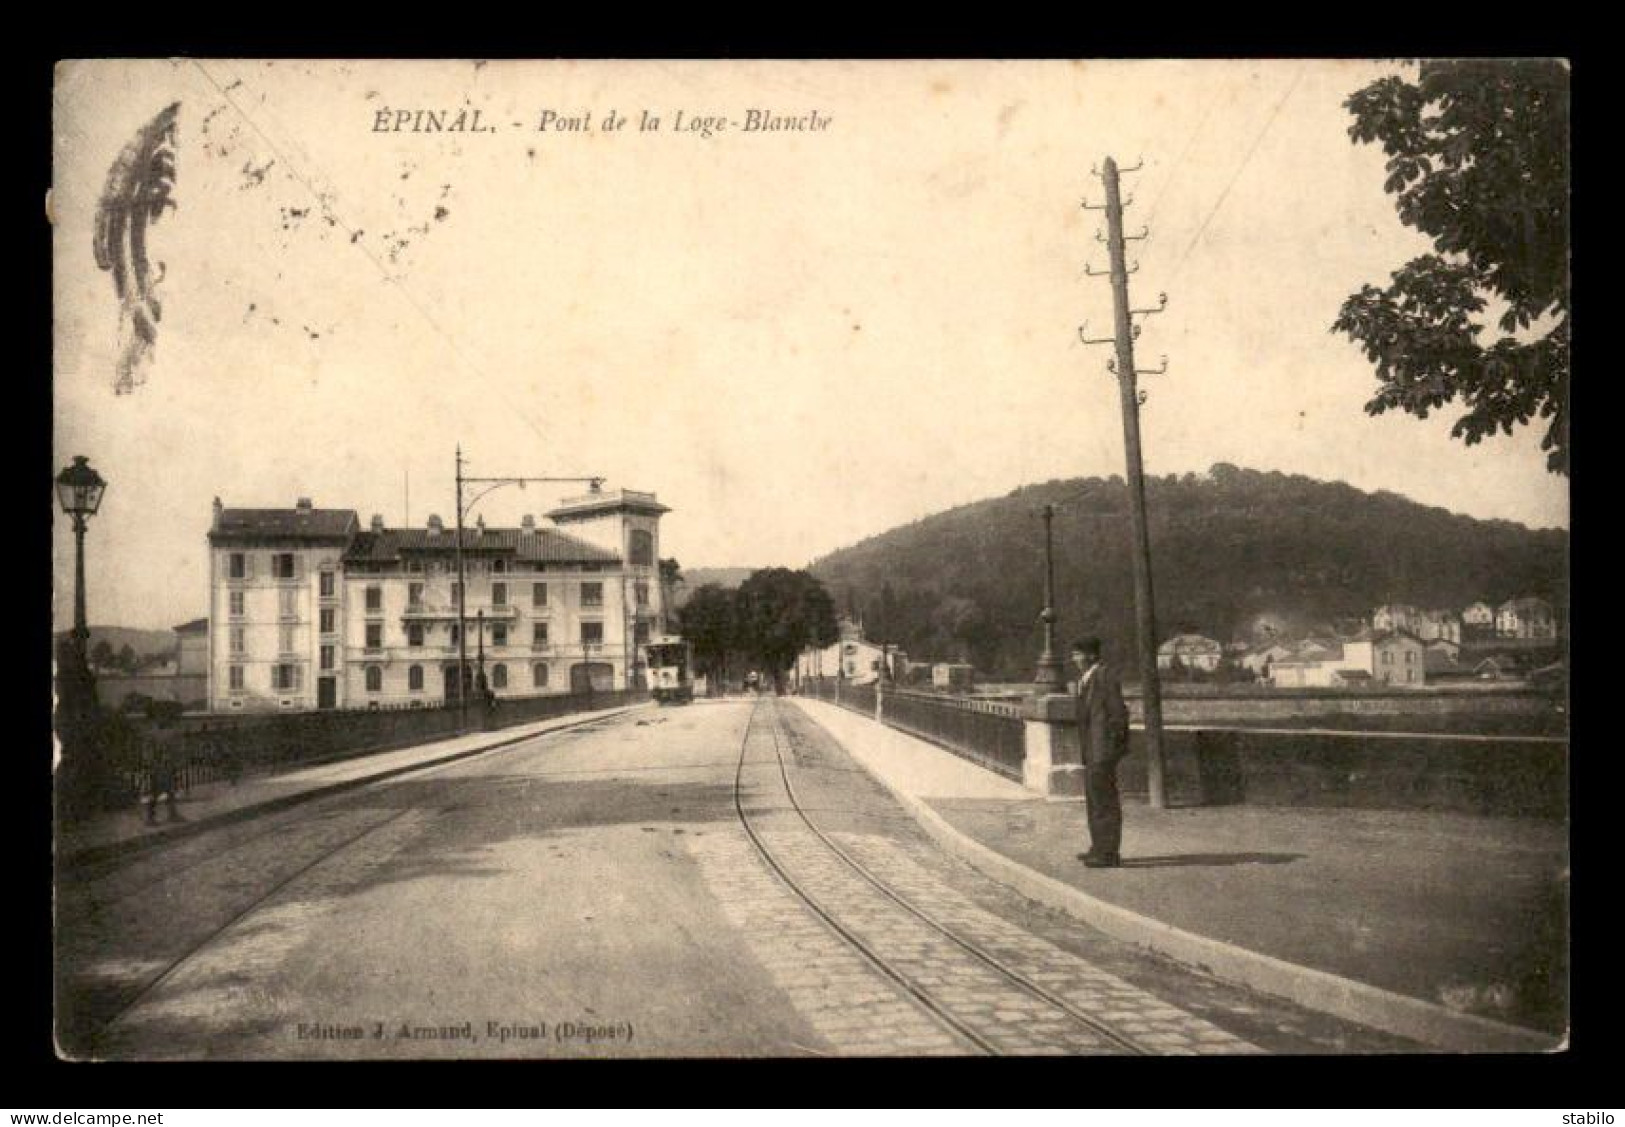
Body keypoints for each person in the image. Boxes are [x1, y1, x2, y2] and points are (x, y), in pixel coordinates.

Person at [1072, 637, 1128, 867]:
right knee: (1095, 800)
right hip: (1093, 749)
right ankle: (1098, 846)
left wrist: (1112, 748)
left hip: (1102, 750)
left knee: (1104, 801)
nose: (1074, 659)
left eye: (1077, 654)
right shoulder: (1087, 679)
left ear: (1091, 656)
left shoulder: (1104, 677)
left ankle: (1109, 853)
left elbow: (1118, 714)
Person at [144, 714, 183, 825]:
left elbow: (174, 749)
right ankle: (150, 818)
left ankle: (172, 814)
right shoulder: (151, 734)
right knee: (156, 792)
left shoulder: (169, 733)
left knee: (170, 790)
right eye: (160, 717)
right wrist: (151, 763)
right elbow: (148, 752)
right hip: (158, 766)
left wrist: (174, 761)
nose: (163, 720)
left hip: (168, 766)